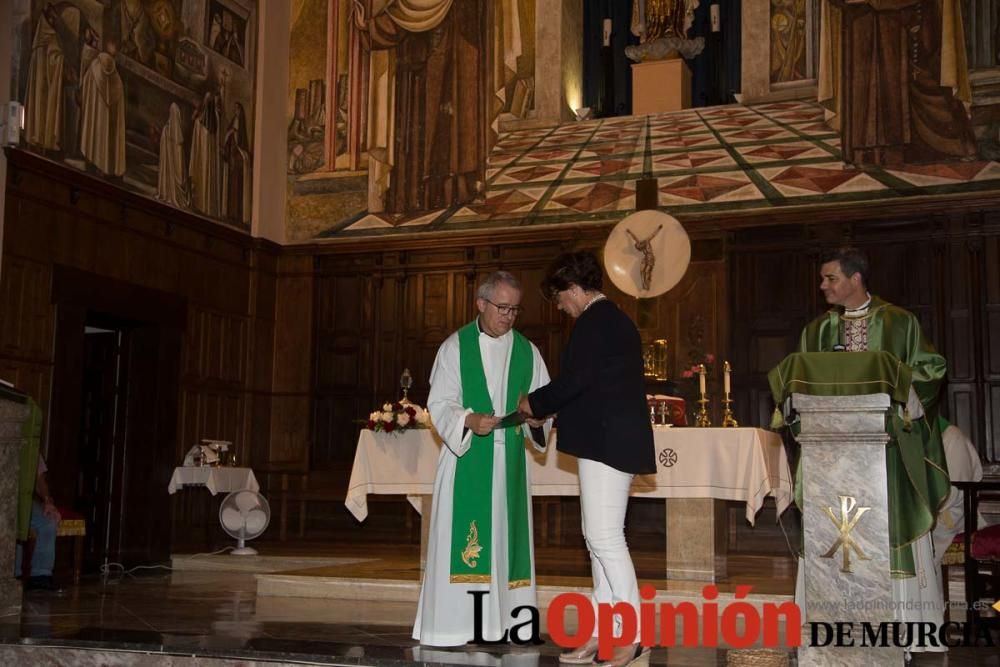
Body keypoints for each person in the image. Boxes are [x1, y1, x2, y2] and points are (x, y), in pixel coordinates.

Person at [798, 246, 950, 653]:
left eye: (830, 278)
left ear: (856, 279)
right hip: (830, 458)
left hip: (887, 453)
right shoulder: (817, 331)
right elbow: (803, 382)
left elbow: (931, 368)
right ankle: (832, 623)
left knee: (890, 525)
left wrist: (904, 396)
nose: (823, 285)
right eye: (823, 278)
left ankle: (900, 630)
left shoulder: (900, 322)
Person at [518, 251, 654, 667]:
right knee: (597, 542)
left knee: (606, 540)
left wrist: (533, 402)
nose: (560, 307)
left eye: (560, 298)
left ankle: (633, 635)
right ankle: (601, 634)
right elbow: (593, 384)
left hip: (607, 443)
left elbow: (576, 382)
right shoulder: (609, 321)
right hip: (606, 441)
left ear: (574, 289)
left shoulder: (597, 322)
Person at [413, 271, 551, 647]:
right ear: (481, 304)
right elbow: (440, 403)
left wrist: (538, 419)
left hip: (510, 467)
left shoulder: (528, 351)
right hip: (467, 461)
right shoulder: (455, 348)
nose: (508, 316)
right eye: (502, 307)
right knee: (468, 544)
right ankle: (455, 626)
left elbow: (541, 403)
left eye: (514, 309)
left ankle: (508, 624)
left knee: (507, 543)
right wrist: (469, 420)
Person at [932, 418, 983, 568]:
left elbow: (953, 492)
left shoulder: (953, 438)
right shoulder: (918, 440)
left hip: (951, 514)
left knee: (917, 538)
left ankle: (924, 586)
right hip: (931, 510)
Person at [15, 455, 61, 592]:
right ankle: (14, 576)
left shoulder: (31, 446)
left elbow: (40, 480)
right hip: (7, 498)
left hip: (24, 500)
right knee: (15, 523)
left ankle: (40, 576)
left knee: (48, 521)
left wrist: (47, 501)